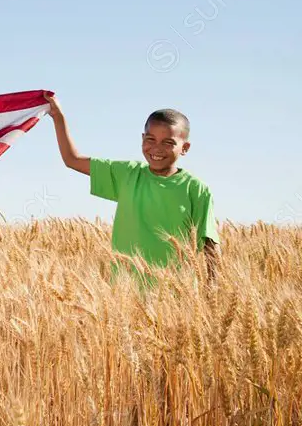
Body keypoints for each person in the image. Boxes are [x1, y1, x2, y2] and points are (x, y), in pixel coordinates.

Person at [42, 91, 219, 284]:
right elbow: (72, 160)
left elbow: (210, 244)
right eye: (150, 139)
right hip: (125, 294)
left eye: (168, 143)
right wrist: (58, 117)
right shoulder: (127, 174)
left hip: (177, 298)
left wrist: (213, 291)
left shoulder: (196, 189)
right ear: (142, 138)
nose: (157, 148)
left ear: (185, 148)